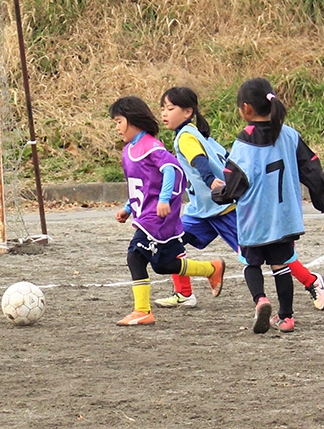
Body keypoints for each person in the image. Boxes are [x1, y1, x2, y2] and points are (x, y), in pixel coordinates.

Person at [157, 86, 324, 312]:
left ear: (188, 112)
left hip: (223, 209)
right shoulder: (200, 134)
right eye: (162, 109)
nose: (164, 114)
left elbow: (200, 161)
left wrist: (210, 181)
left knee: (271, 251)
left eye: (170, 108)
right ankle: (185, 292)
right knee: (171, 239)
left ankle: (312, 282)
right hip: (201, 210)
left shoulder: (187, 136)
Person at [212, 77, 324, 333]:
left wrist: (218, 192)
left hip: (254, 218)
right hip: (285, 217)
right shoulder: (290, 135)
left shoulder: (244, 142)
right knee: (281, 266)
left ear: (246, 109)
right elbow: (313, 171)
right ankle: (286, 317)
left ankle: (261, 300)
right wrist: (321, 200)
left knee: (251, 264)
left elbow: (235, 184)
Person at [110, 96, 225, 326]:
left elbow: (172, 169)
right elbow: (141, 184)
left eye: (119, 121)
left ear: (133, 120)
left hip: (157, 217)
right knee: (164, 264)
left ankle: (142, 310)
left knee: (135, 256)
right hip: (145, 214)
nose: (117, 127)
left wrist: (164, 200)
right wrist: (127, 208)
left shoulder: (150, 145)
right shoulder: (129, 150)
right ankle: (211, 268)